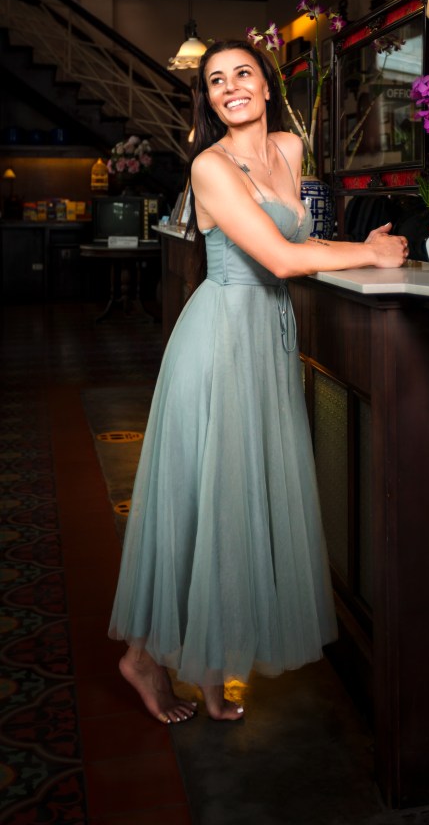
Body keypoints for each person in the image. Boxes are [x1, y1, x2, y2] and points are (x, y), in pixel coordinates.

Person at [108, 39, 408, 724]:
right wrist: (367, 251)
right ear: (209, 100)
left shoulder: (289, 151)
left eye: (242, 73)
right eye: (216, 81)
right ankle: (142, 659)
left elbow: (304, 241)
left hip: (266, 341)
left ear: (268, 86)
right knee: (201, 500)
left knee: (237, 501)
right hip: (217, 341)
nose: (230, 87)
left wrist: (364, 250)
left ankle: (212, 668)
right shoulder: (209, 166)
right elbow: (275, 255)